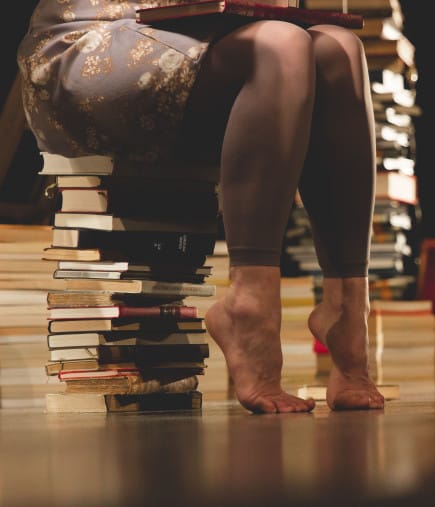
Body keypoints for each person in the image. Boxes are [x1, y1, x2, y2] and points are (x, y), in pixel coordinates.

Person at [17, 0, 385, 413]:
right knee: (281, 45)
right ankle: (250, 309)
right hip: (95, 35)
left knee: (340, 49)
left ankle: (347, 313)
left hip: (205, 37)